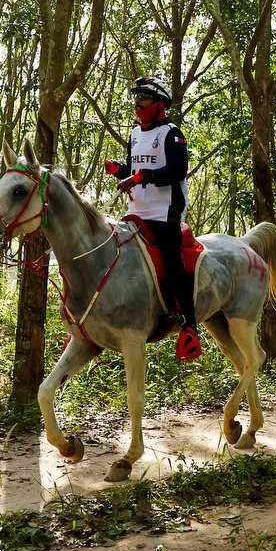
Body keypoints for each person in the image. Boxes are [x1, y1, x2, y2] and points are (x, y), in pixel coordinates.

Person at [105, 75, 198, 361]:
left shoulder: (171, 133)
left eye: (143, 97)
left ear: (159, 103)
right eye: (136, 97)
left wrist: (142, 176)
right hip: (137, 210)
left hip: (164, 210)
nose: (137, 103)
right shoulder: (135, 134)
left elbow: (177, 170)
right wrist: (120, 170)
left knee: (171, 258)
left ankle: (189, 327)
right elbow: (134, 169)